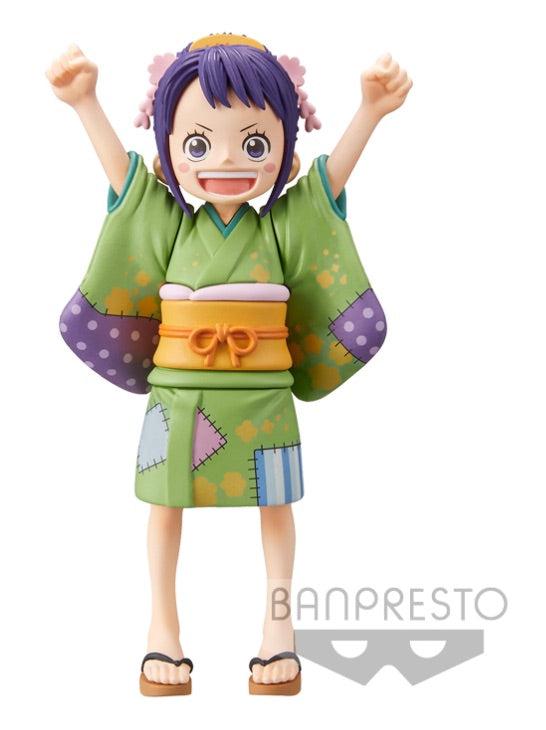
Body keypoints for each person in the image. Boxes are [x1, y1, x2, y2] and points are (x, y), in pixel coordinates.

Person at [47, 33, 411, 695]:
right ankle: (162, 628)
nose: (224, 161)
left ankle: (279, 627)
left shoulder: (277, 226)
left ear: (284, 147)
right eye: (197, 144)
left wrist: (369, 112)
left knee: (276, 504)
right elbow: (125, 184)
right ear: (169, 149)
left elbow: (326, 189)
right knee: (165, 507)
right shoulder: (172, 225)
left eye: (254, 143)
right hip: (179, 393)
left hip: (263, 392)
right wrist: (85, 103)